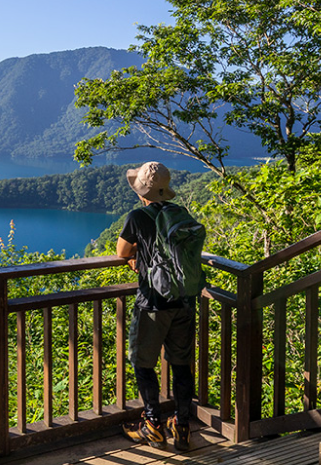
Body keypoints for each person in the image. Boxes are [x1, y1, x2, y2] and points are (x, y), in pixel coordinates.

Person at [118, 161, 198, 451]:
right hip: (184, 302)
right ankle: (182, 425)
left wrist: (138, 256)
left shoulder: (138, 216)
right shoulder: (182, 214)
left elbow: (121, 251)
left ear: (142, 192)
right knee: (181, 366)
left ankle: (152, 424)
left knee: (143, 363)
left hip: (152, 303)